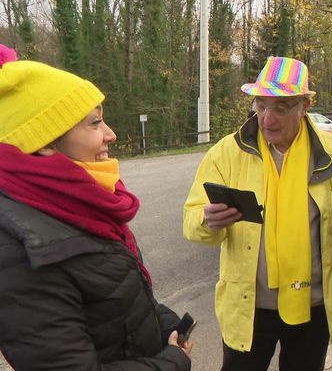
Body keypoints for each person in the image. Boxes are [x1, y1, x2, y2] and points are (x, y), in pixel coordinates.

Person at [0, 44, 192, 370]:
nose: (111, 134)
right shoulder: (18, 249)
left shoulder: (78, 203)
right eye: (94, 123)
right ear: (44, 141)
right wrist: (172, 364)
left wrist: (162, 322)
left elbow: (113, 297)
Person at [183, 56, 332, 371]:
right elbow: (192, 219)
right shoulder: (227, 153)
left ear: (304, 106)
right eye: (261, 106)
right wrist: (207, 221)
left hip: (313, 305)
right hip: (249, 307)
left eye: (281, 107)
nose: (267, 119)